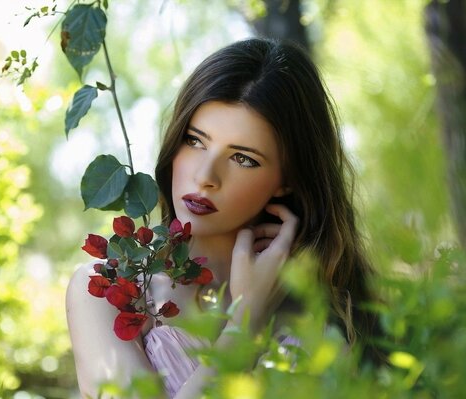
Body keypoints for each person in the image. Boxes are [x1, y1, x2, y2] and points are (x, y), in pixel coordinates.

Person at [66, 37, 382, 398]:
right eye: (195, 141)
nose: (205, 175)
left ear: (288, 179)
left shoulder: (326, 317)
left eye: (243, 158)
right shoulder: (107, 291)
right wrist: (246, 321)